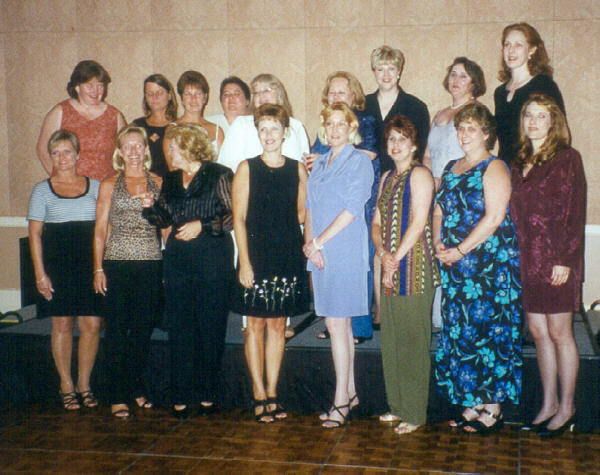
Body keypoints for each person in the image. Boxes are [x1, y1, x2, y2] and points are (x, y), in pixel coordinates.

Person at [433, 103, 522, 434]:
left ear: (487, 133)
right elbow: (440, 208)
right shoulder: (452, 165)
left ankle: (494, 406)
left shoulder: (494, 166)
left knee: (490, 329)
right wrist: (440, 243)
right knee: (463, 330)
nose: (463, 134)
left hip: (488, 266)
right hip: (456, 267)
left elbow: (495, 217)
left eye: (471, 128)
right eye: (460, 128)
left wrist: (459, 249)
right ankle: (473, 400)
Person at [142, 123, 234, 419]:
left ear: (188, 146)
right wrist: (149, 207)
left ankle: (208, 393)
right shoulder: (170, 179)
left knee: (211, 326)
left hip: (212, 258)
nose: (168, 153)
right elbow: (164, 216)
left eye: (172, 147)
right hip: (179, 259)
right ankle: (181, 393)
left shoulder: (219, 173)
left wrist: (202, 225)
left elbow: (233, 216)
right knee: (180, 327)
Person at [510, 94, 585, 437]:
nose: (534, 122)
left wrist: (565, 260)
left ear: (553, 122)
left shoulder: (567, 159)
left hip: (556, 260)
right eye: (529, 116)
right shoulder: (519, 160)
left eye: (541, 116)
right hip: (527, 260)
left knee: (559, 333)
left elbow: (574, 213)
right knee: (539, 334)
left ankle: (567, 408)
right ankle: (548, 404)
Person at [232, 104, 309, 423]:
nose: (269, 135)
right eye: (263, 128)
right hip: (256, 256)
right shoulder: (246, 168)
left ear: (285, 132)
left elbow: (303, 214)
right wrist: (245, 263)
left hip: (286, 255)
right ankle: (258, 393)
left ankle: (273, 393)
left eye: (274, 128)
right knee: (255, 327)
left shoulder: (298, 169)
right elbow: (238, 218)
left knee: (278, 325)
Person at [303, 103, 374, 428]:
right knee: (338, 326)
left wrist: (318, 243)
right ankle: (351, 393)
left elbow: (351, 209)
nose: (334, 129)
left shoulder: (359, 161)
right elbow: (310, 209)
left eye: (340, 124)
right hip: (319, 255)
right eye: (329, 124)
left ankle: (341, 401)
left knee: (337, 326)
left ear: (351, 128)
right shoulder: (318, 165)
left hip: (344, 253)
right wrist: (309, 246)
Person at [371, 115, 439, 435]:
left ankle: (414, 412)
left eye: (402, 139)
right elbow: (375, 223)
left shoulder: (420, 174)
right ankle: (396, 406)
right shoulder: (385, 178)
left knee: (413, 341)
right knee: (392, 341)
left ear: (414, 145)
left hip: (415, 270)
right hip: (390, 268)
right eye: (391, 140)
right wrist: (383, 254)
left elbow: (419, 221)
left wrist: (394, 258)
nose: (395, 145)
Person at [28, 130, 101, 411]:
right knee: (62, 324)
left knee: (91, 325)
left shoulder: (95, 186)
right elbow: (34, 235)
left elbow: (103, 230)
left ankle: (84, 384)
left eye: (67, 151)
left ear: (78, 154)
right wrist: (39, 274)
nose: (62, 158)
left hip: (89, 265)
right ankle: (66, 385)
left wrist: (100, 268)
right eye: (56, 152)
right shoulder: (41, 190)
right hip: (57, 267)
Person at [93, 125, 163, 419]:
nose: (134, 152)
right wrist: (98, 268)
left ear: (146, 150)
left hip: (150, 263)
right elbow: (99, 231)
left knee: (143, 331)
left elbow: (166, 225)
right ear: (119, 152)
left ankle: (134, 386)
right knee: (119, 331)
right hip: (117, 264)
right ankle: (117, 394)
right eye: (128, 147)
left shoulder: (159, 182)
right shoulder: (110, 184)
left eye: (139, 146)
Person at [306, 71, 379, 343]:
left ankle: (356, 332)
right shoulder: (324, 150)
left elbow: (366, 157)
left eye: (342, 92)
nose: (336, 96)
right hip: (324, 228)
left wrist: (318, 242)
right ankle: (345, 384)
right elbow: (310, 200)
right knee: (334, 317)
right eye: (332, 92)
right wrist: (311, 244)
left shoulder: (362, 132)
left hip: (349, 225)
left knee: (345, 311)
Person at [423, 57, 486, 330]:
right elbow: (427, 155)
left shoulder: (477, 112)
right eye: (453, 74)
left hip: (460, 191)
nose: (456, 80)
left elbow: (474, 157)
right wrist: (428, 182)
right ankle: (439, 321)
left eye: (462, 76)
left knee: (457, 254)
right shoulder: (439, 114)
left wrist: (443, 182)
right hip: (435, 191)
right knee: (436, 249)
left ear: (474, 82)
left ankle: (459, 324)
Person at [37, 60, 126, 180]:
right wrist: (59, 180)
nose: (96, 91)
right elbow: (43, 150)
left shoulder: (114, 116)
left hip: (106, 189)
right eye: (89, 86)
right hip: (71, 190)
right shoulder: (60, 112)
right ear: (77, 87)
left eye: (100, 85)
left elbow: (126, 153)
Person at [494, 22, 565, 164]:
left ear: (532, 50)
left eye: (518, 45)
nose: (511, 51)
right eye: (507, 45)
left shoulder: (544, 85)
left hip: (536, 168)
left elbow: (560, 132)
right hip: (507, 170)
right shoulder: (500, 93)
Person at [218, 73, 310, 172]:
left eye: (266, 90)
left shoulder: (296, 126)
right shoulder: (241, 124)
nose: (261, 96)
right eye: (256, 92)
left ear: (279, 94)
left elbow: (305, 168)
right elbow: (226, 166)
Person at [365, 45, 430, 171]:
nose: (386, 75)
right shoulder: (362, 105)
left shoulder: (416, 107)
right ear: (374, 72)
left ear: (399, 71)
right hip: (366, 179)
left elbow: (419, 150)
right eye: (380, 69)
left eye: (391, 69)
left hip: (401, 177)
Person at [164, 70, 224, 167]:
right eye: (187, 94)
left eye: (198, 93)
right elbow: (173, 169)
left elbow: (223, 166)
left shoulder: (217, 130)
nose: (193, 98)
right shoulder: (172, 130)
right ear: (182, 99)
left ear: (205, 97)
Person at [132, 74, 179, 177]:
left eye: (159, 93)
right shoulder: (136, 126)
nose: (154, 97)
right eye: (150, 93)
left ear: (169, 95)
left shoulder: (178, 127)